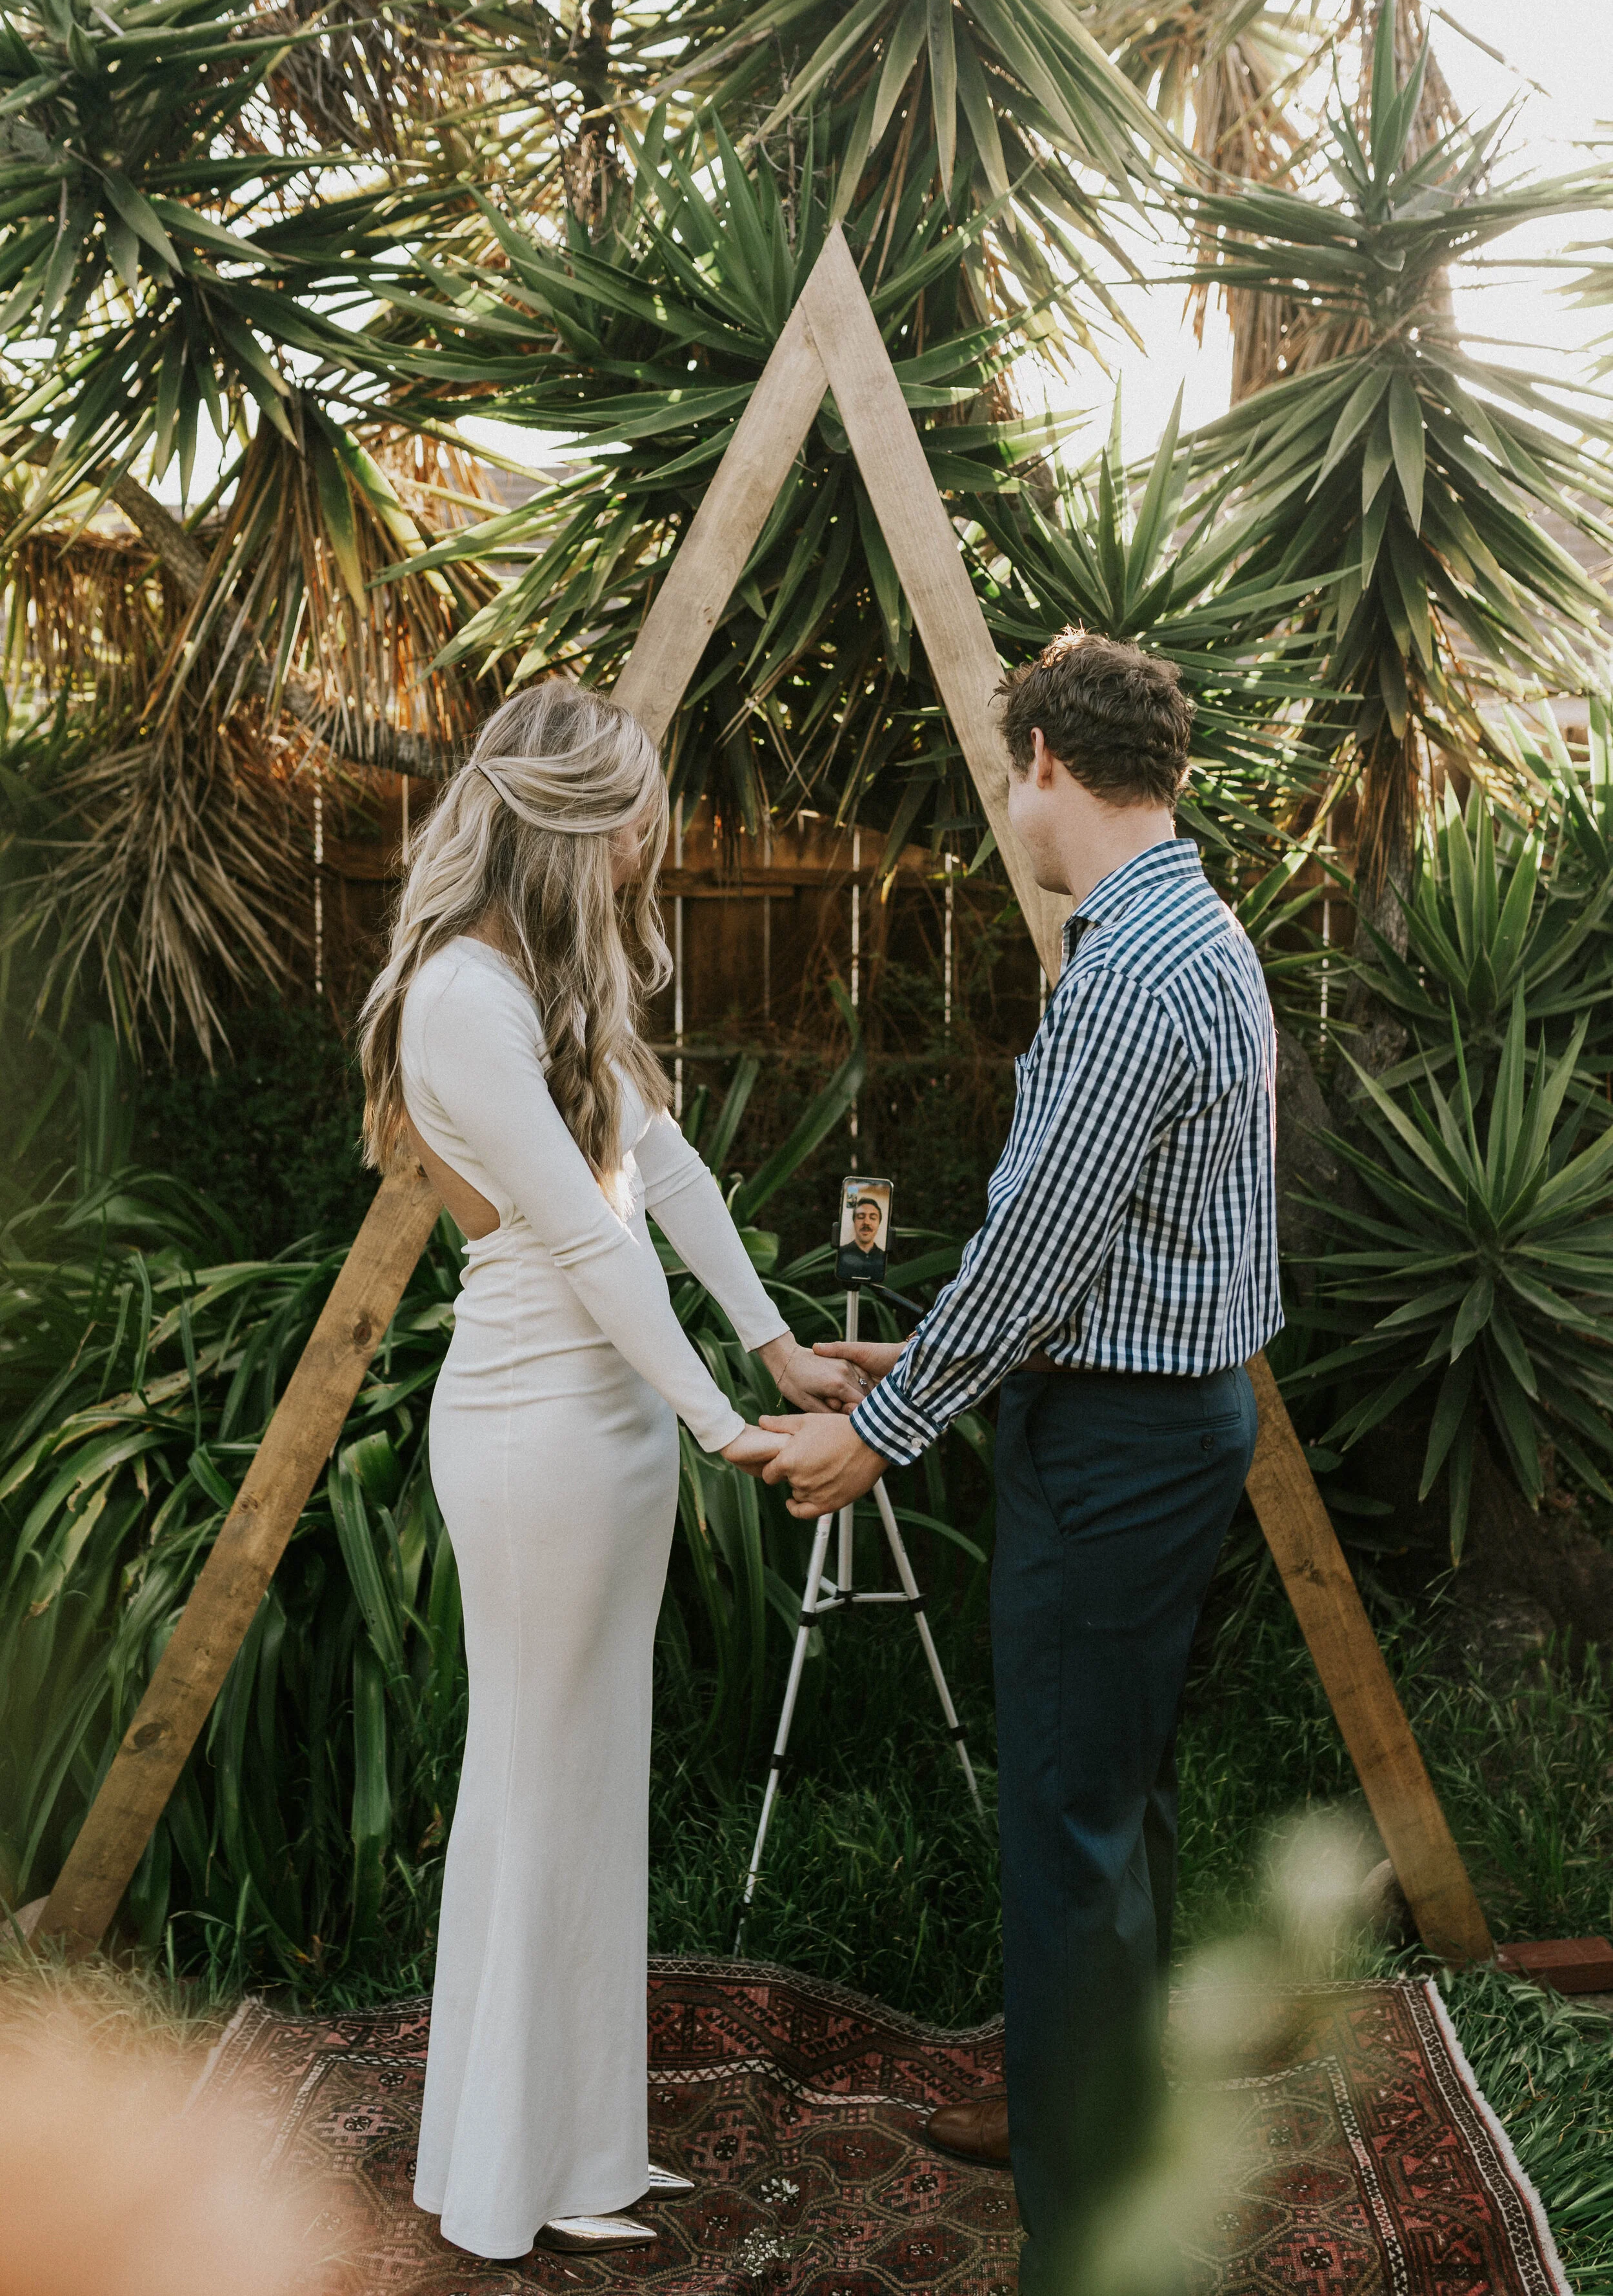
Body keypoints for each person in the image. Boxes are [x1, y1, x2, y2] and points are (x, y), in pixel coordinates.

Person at [761, 629, 1281, 2296]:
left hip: (1120, 1443)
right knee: (1115, 1811)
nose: (1007, 800)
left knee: (1067, 1826)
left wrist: (876, 1432)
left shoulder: (1131, 967)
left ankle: (1083, 2240)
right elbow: (1134, 1250)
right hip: (1156, 1410)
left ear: (1049, 757)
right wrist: (927, 1349)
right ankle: (1103, 2122)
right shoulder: (1196, 930)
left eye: (1007, 770)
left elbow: (1048, 1241)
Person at [357, 683, 863, 2264]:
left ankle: (579, 2147)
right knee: (537, 1783)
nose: (662, 829)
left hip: (611, 1429)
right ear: (576, 822)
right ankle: (505, 2175)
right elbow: (582, 1239)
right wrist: (723, 1421)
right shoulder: (458, 997)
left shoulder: (547, 976)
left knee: (588, 1788)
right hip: (532, 1436)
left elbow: (670, 1175)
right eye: (643, 802)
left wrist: (775, 1345)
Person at [836, 1192, 887, 1283]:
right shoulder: (841, 1254)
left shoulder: (884, 1257)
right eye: (861, 1217)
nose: (866, 1222)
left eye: (873, 1218)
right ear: (854, 1222)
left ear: (879, 1224)